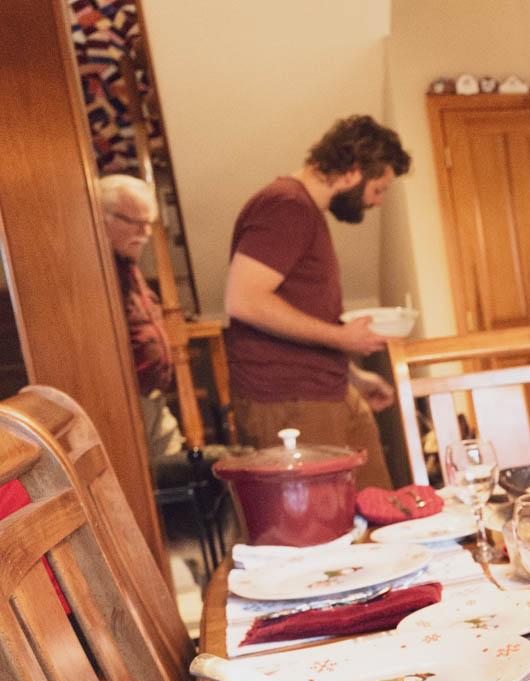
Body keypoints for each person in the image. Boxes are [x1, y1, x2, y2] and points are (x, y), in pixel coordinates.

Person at [223, 114, 411, 490]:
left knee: (377, 504)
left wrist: (353, 375)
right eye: (379, 189)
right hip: (289, 400)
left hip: (327, 389)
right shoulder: (286, 206)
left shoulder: (304, 211)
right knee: (324, 517)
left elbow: (299, 309)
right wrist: (342, 338)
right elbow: (244, 300)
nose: (377, 202)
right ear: (353, 173)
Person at [97, 173, 184, 463]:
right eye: (135, 222)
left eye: (149, 223)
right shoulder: (95, 273)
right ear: (101, 217)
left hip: (153, 398)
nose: (145, 232)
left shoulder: (127, 266)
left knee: (173, 472)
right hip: (125, 404)